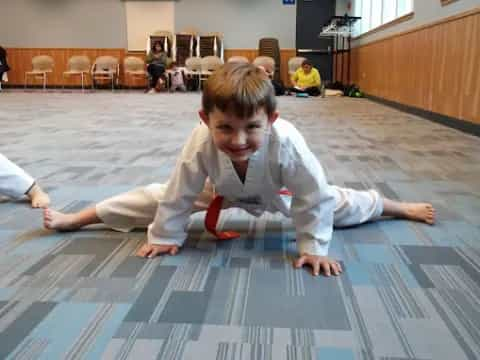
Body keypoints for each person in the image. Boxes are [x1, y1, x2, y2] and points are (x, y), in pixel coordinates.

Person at [43, 63, 435, 277]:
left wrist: (313, 247)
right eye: (225, 127)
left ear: (272, 119)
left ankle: (395, 206)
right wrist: (165, 235)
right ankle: (78, 218)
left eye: (252, 128)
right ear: (205, 119)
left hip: (274, 189)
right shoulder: (199, 140)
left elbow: (312, 195)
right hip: (220, 187)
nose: (239, 139)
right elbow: (179, 192)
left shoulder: (289, 144)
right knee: (157, 197)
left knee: (337, 202)